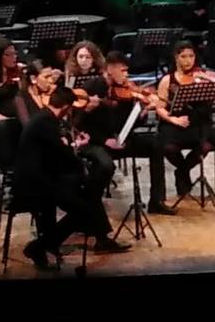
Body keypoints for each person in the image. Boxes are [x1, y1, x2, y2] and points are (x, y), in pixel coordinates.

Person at [13, 86, 130, 269]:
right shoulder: (45, 122)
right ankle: (39, 247)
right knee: (84, 208)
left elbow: (57, 152)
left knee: (89, 195)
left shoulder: (45, 118)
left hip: (45, 176)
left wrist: (73, 147)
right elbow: (63, 154)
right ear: (66, 107)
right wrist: (78, 152)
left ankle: (100, 239)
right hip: (35, 184)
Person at [101, 51, 174, 214]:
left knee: (156, 144)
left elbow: (131, 123)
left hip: (125, 139)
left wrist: (141, 114)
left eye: (127, 71)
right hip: (105, 142)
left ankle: (157, 201)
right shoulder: (100, 88)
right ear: (110, 69)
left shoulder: (127, 91)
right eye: (123, 71)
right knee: (101, 164)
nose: (127, 75)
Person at [154, 41, 215, 197]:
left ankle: (182, 172)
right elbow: (159, 107)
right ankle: (183, 173)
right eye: (184, 56)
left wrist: (206, 77)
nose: (188, 60)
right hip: (174, 123)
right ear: (176, 58)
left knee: (206, 145)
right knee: (168, 147)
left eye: (191, 56)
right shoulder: (167, 80)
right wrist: (174, 120)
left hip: (198, 122)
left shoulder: (201, 77)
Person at [63, 41, 115, 199]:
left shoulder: (102, 78)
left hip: (100, 124)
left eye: (88, 57)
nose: (84, 60)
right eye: (80, 57)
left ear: (94, 59)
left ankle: (92, 190)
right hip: (80, 124)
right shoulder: (70, 78)